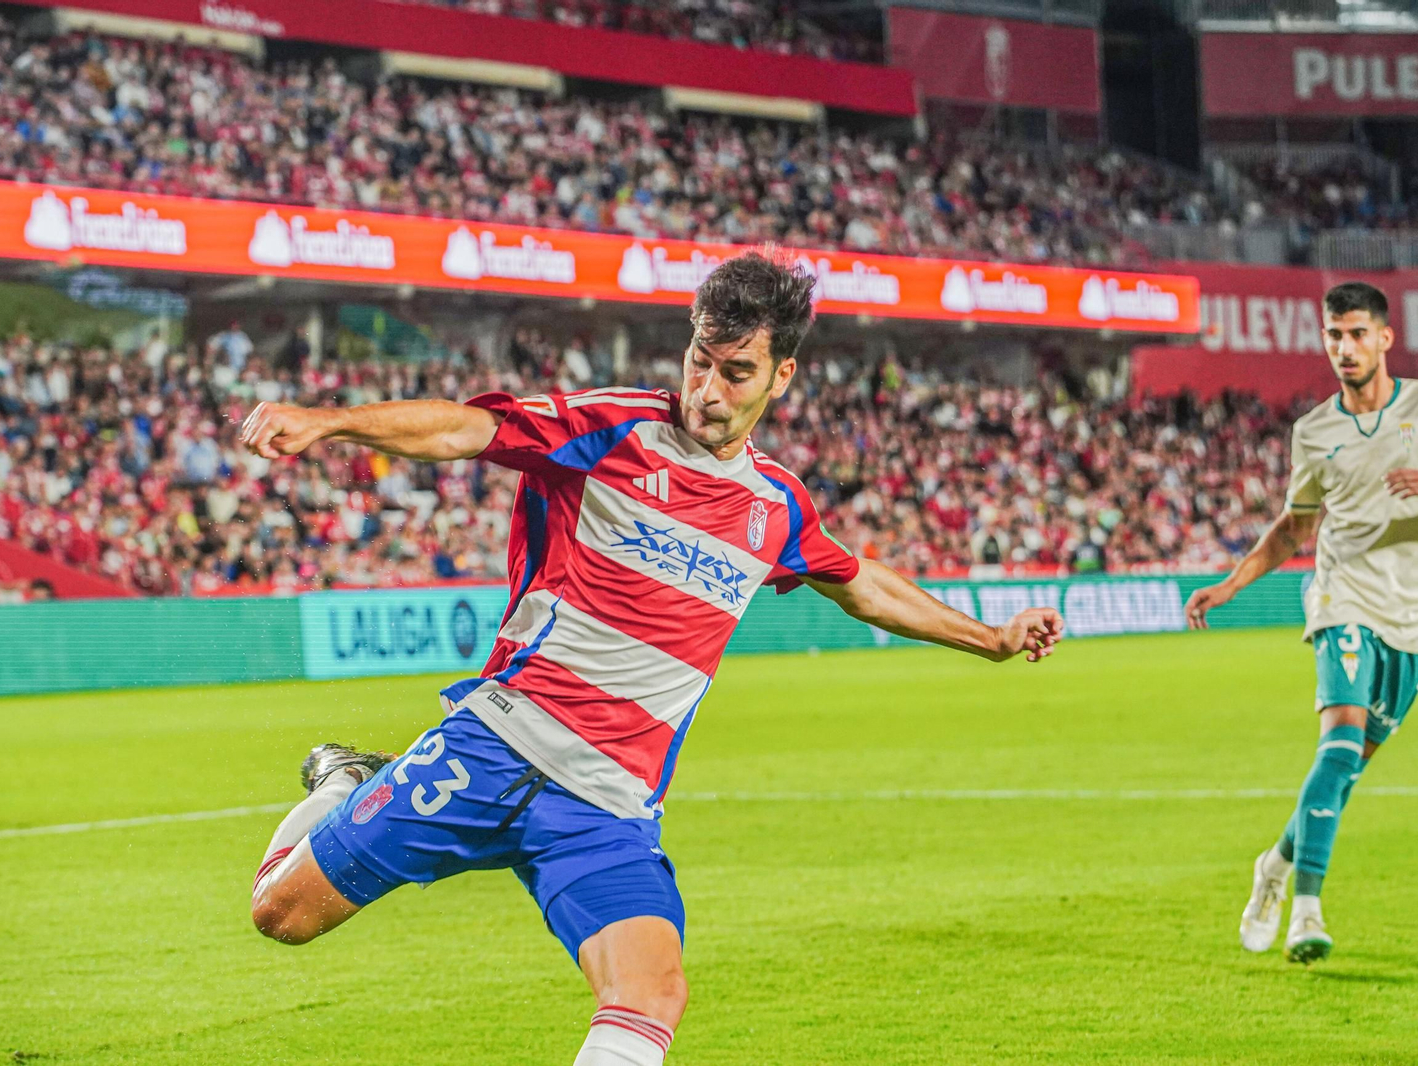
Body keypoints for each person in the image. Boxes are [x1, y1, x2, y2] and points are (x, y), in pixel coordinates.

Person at [237, 252, 1065, 1065]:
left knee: (651, 996)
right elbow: (467, 426)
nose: (708, 389)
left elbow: (863, 586)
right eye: (700, 360)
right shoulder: (613, 429)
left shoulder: (775, 506)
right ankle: (349, 782)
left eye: (736, 371)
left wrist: (989, 640)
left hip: (609, 806)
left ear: (783, 377)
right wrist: (329, 422)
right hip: (501, 747)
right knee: (282, 914)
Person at [1184, 282, 1418, 964]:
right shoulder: (1315, 432)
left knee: (1346, 772)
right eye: (1334, 335)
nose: (1345, 347)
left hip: (1416, 620)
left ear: (1385, 338)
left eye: (1358, 333)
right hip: (1342, 601)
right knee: (1336, 748)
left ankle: (1272, 864)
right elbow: (1294, 528)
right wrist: (1230, 584)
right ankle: (1305, 909)